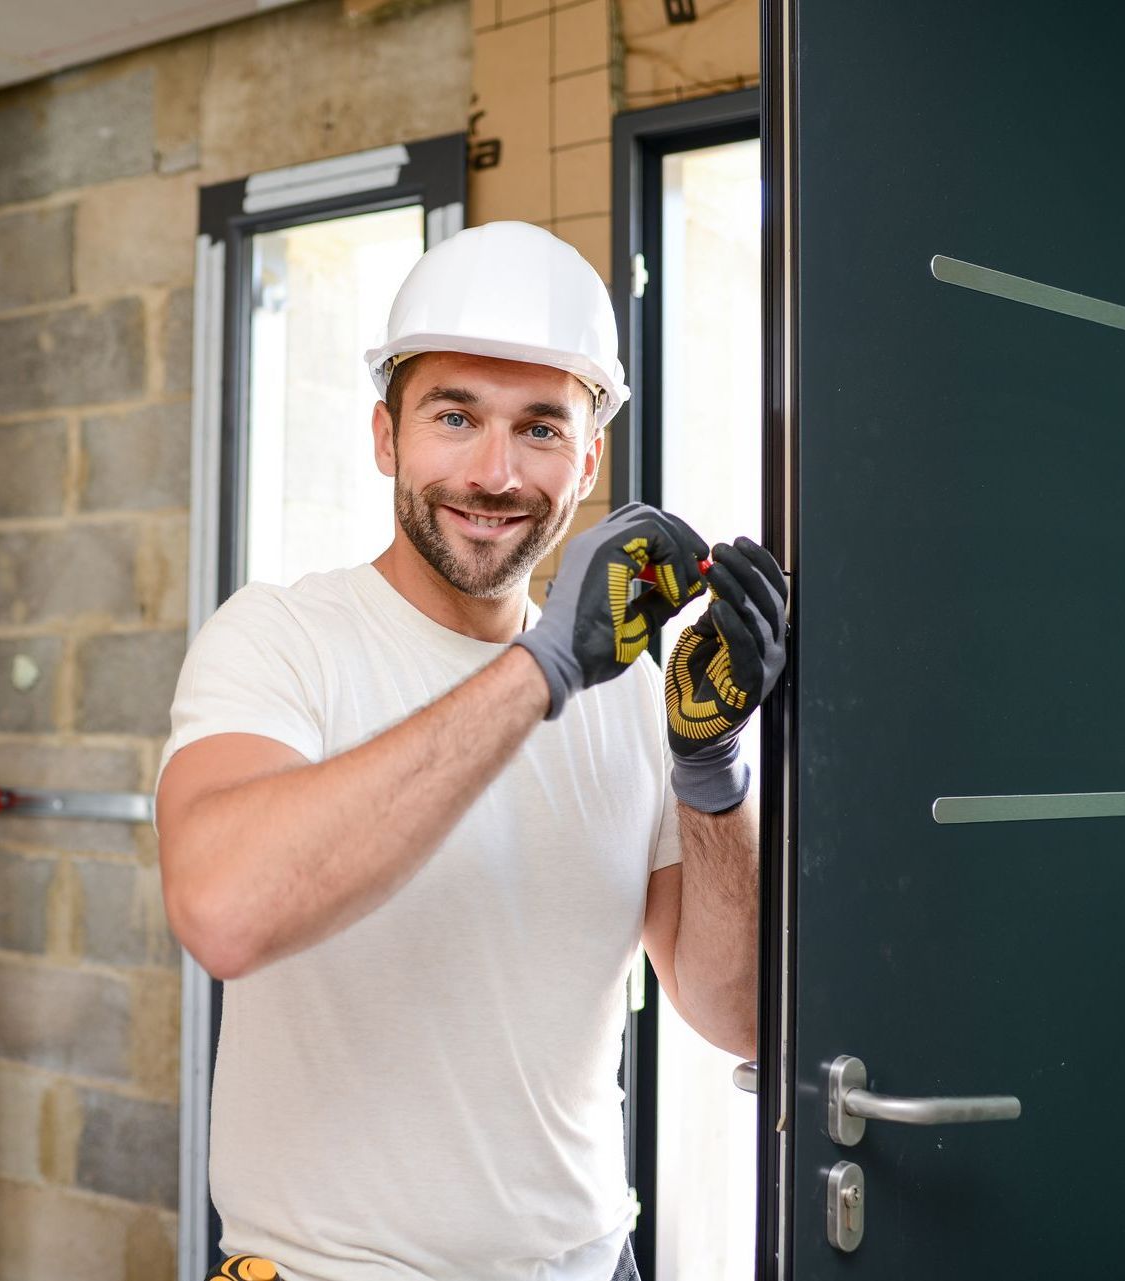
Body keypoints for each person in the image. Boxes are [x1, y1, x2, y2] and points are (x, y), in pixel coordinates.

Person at [155, 221, 788, 1281]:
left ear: (588, 460)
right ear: (385, 436)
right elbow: (224, 911)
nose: (495, 473)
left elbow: (735, 1017)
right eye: (456, 416)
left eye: (541, 429)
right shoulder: (282, 641)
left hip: (592, 1263)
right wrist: (542, 668)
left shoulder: (629, 692)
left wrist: (710, 768)